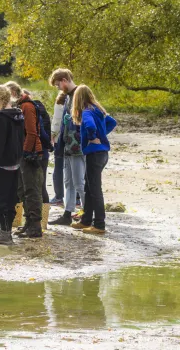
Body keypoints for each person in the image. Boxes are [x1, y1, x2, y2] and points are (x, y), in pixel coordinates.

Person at [70, 84, 117, 234]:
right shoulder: (98, 109)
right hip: (102, 154)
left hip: (95, 154)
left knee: (95, 189)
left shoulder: (86, 112)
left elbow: (90, 126)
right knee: (88, 188)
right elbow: (112, 122)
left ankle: (99, 225)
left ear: (78, 99)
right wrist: (102, 135)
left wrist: (93, 137)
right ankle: (86, 220)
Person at [0, 85, 25, 245]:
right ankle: (7, 233)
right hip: (15, 163)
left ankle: (5, 234)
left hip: (1, 165)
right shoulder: (19, 115)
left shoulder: (0, 117)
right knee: (10, 200)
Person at [4, 81, 44, 238]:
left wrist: (26, 152)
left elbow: (32, 133)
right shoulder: (20, 106)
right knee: (22, 190)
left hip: (31, 154)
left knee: (31, 190)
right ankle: (28, 223)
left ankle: (35, 226)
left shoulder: (27, 106)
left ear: (13, 92)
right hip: (23, 153)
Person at [48, 68, 85, 226]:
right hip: (67, 146)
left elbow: (86, 119)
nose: (58, 88)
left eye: (58, 85)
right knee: (68, 182)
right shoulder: (68, 97)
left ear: (64, 80)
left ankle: (88, 212)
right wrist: (60, 144)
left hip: (78, 147)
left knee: (79, 182)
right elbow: (64, 122)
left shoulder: (80, 94)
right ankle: (67, 213)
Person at [50, 92, 66, 206]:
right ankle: (77, 198)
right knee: (73, 169)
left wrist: (52, 135)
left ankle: (59, 196)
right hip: (73, 141)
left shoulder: (59, 104)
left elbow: (56, 122)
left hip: (60, 140)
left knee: (58, 168)